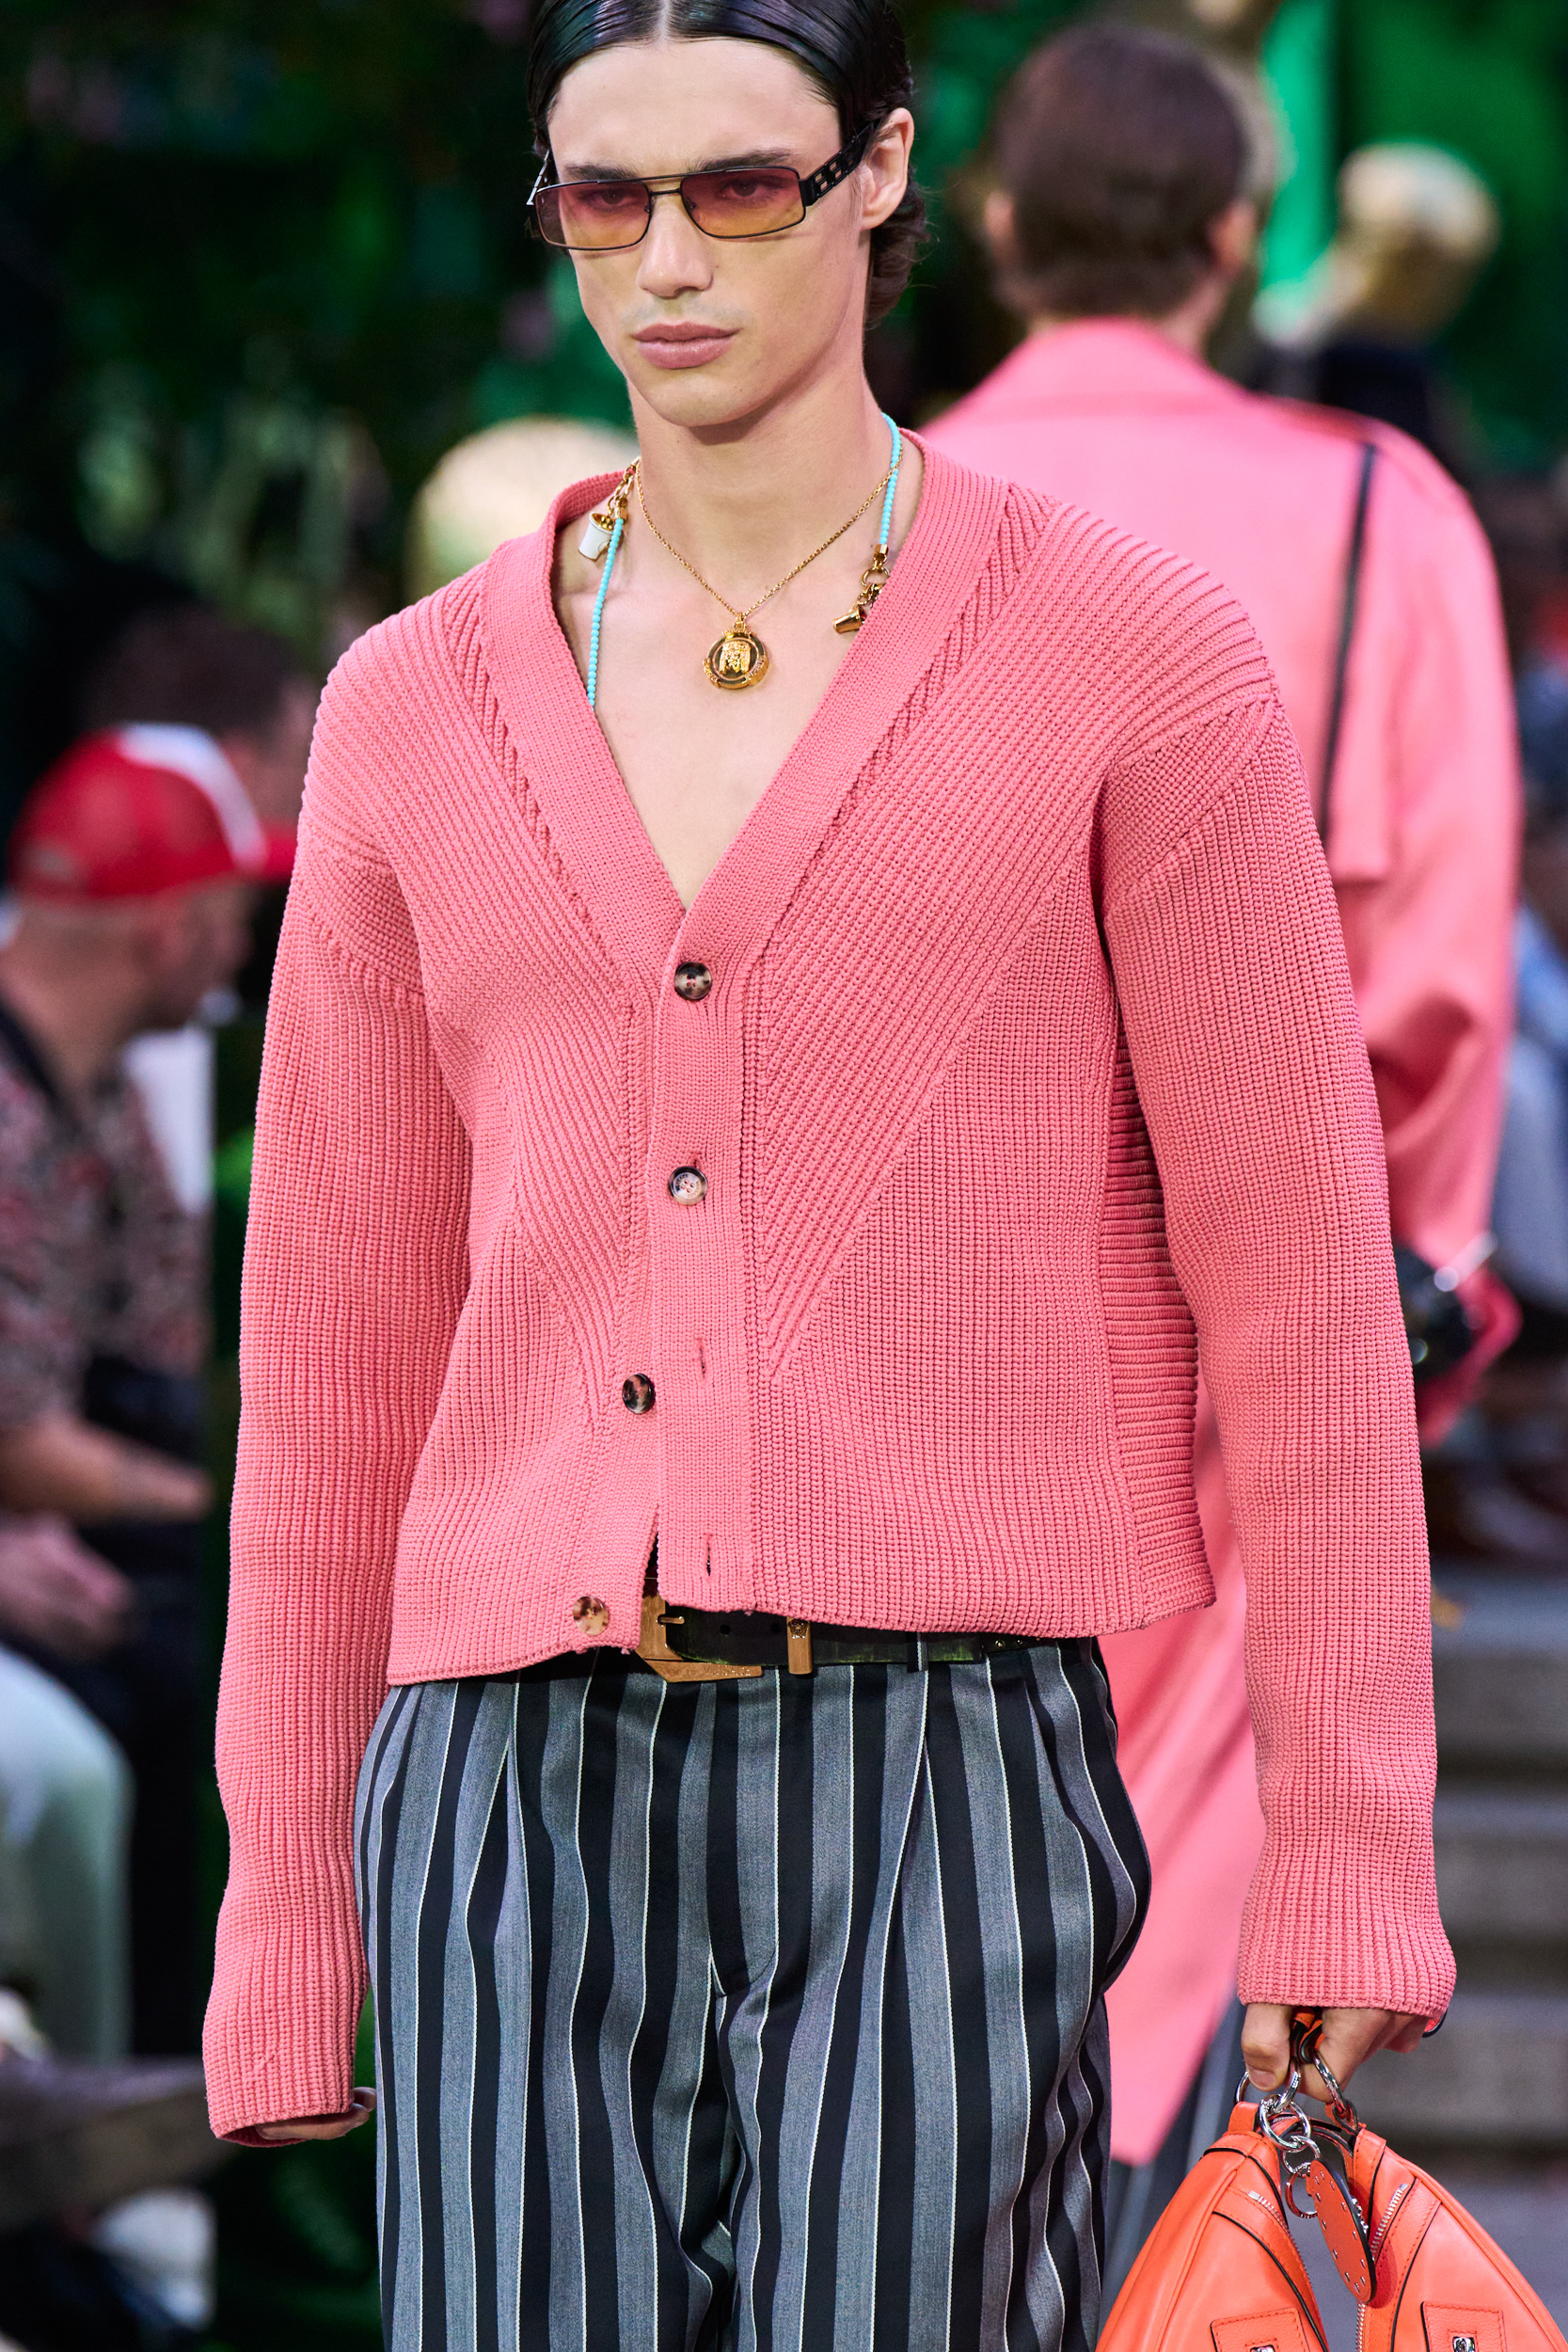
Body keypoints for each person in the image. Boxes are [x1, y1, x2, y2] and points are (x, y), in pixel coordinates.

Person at [204, 5, 1451, 2347]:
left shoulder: (1137, 653)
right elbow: (334, 1345)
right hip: (501, 1780)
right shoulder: (407, 706)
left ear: (880, 175)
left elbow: (1301, 1292)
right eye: (605, 195)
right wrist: (287, 1909)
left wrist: (1351, 1854)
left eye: (741, 186)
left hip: (945, 1764)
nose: (669, 261)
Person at [925, 19, 1519, 2264]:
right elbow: (1438, 986)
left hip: (893, 1322)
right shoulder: (1378, 515)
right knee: (1178, 1903)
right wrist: (1411, 1313)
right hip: (1234, 1321)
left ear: (988, 225)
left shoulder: (853, 514)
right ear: (1243, 236)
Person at [0, 732, 259, 2056]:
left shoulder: (98, 1090)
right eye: (231, 920)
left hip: (81, 1516)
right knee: (171, 1679)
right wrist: (222, 1501)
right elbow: (18, 1440)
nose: (241, 954)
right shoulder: (13, 1114)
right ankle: (131, 2095)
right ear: (169, 935)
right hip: (50, 1536)